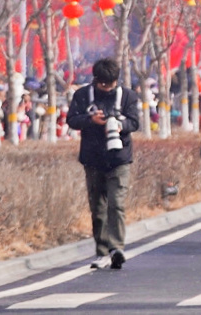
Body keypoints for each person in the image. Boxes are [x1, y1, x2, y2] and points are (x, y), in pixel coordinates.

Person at [65, 58, 140, 270]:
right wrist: (90, 120)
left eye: (111, 83)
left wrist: (119, 124)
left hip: (119, 157)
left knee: (117, 203)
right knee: (97, 206)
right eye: (103, 84)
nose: (107, 87)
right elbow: (72, 119)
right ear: (95, 80)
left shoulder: (127, 96)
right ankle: (102, 250)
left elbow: (134, 122)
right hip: (92, 157)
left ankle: (117, 248)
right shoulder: (82, 95)